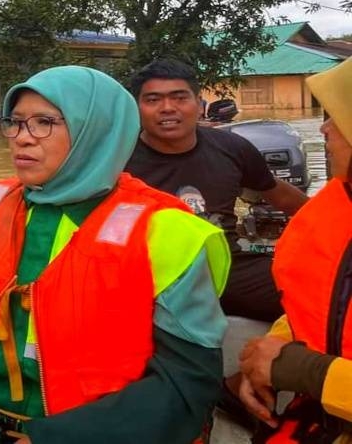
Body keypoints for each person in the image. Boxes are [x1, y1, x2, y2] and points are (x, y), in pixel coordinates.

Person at [0, 66, 231, 443]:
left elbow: (188, 382)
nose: (22, 139)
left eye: (44, 123)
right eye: (17, 122)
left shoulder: (168, 233)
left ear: (97, 131)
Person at [125, 59, 309, 323]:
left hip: (227, 265)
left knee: (318, 295)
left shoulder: (231, 148)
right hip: (151, 274)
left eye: (179, 98)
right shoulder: (118, 158)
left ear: (199, 104)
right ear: (137, 108)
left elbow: (278, 193)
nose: (167, 108)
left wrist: (336, 225)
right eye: (153, 100)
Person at [238, 57, 352, 443]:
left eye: (336, 115)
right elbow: (313, 298)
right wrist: (272, 354)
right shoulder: (333, 206)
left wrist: (310, 372)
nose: (324, 128)